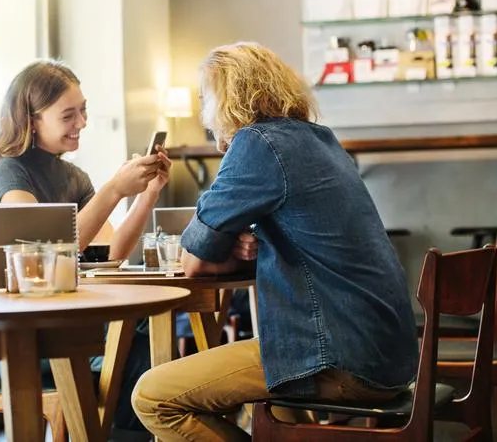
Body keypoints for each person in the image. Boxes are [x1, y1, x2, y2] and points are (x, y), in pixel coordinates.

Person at [132, 42, 418, 442]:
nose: (203, 111)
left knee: (152, 396)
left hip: (336, 358)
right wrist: (240, 244)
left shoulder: (258, 144)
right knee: (269, 396)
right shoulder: (319, 140)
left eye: (205, 97)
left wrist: (223, 244)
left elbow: (194, 260)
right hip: (388, 356)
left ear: (226, 97)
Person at [0, 59, 170, 440]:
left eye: (84, 110)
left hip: (52, 327)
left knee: (138, 342)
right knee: (132, 350)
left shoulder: (73, 177)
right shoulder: (9, 172)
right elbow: (42, 256)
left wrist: (146, 197)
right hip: (4, 339)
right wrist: (113, 190)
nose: (82, 122)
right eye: (68, 114)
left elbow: (110, 254)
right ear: (32, 120)